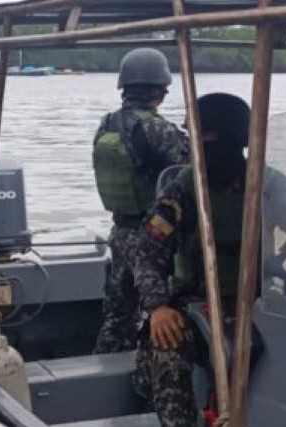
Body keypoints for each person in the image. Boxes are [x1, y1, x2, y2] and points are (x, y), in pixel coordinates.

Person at [128, 92, 286, 427]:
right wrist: (159, 306)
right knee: (167, 342)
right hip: (196, 302)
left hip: (261, 299)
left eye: (213, 141)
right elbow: (146, 253)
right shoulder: (183, 188)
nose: (207, 151)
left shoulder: (264, 182)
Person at [91, 47, 188, 354]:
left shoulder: (106, 124)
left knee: (117, 315)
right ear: (160, 91)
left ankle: (104, 365)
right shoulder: (158, 128)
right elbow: (192, 174)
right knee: (161, 312)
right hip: (153, 237)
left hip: (119, 232)